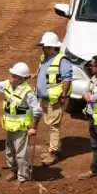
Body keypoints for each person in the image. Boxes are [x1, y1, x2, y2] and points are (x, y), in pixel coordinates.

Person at [0, 62, 43, 182]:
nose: (10, 77)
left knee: (20, 154)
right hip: (9, 126)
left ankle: (23, 176)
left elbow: (37, 111)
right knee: (9, 150)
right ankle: (13, 170)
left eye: (13, 76)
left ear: (20, 79)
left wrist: (33, 128)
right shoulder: (8, 84)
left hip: (21, 128)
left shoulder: (28, 92)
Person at [34, 31, 72, 166]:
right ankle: (54, 148)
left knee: (53, 126)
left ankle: (53, 153)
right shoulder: (44, 58)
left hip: (56, 99)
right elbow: (44, 73)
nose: (42, 49)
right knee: (50, 124)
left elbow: (67, 78)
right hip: (44, 98)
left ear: (51, 47)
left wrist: (63, 95)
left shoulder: (62, 60)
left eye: (44, 46)